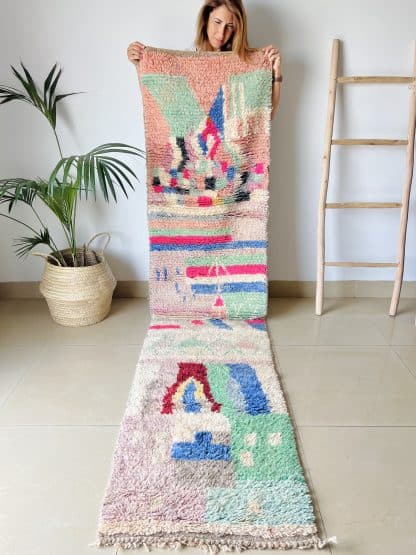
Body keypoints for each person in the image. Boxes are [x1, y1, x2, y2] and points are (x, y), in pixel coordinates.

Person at [127, 0, 282, 119]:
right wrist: (140, 66)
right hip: (194, 158)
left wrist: (276, 75)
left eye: (229, 26)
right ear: (206, 18)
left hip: (235, 161)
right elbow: (158, 108)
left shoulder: (245, 65)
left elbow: (264, 119)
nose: (221, 34)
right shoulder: (185, 61)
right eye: (217, 22)